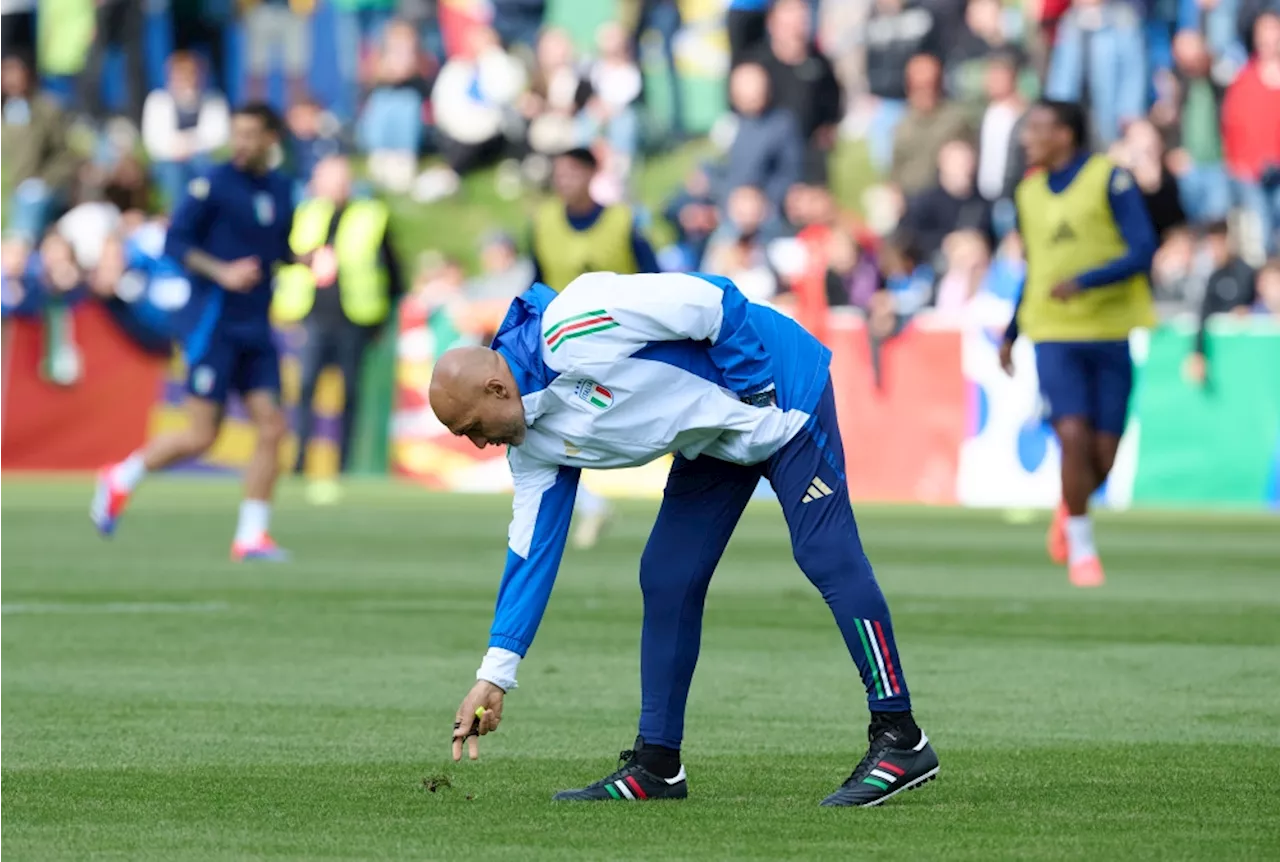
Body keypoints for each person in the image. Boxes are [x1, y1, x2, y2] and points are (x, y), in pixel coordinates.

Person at [431, 272, 938, 806]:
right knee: (667, 575)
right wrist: (495, 675)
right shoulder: (531, 446)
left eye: (471, 428)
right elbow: (532, 552)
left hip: (784, 397)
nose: (478, 443)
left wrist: (755, 388)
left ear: (496, 388)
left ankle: (899, 735)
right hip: (716, 440)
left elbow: (713, 298)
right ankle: (657, 764)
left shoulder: (572, 324)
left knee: (824, 552)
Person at [91, 104, 299, 562]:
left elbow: (274, 245)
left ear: (270, 139)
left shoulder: (283, 189)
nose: (241, 143)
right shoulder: (212, 184)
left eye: (250, 134)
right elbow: (175, 241)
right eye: (236, 133)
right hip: (213, 324)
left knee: (273, 426)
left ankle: (251, 535)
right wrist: (221, 272)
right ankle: (120, 478)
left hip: (256, 326)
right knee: (203, 434)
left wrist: (301, 259)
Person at [999, 99, 1157, 588]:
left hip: (1109, 331)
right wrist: (1012, 331)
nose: (1028, 139)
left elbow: (1143, 248)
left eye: (1037, 130)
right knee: (1071, 435)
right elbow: (1036, 267)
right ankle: (1083, 552)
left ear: (1064, 135)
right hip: (1053, 333)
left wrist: (1087, 281)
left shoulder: (1111, 180)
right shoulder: (1027, 192)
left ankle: (1070, 506)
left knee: (1104, 456)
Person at [528, 146, 660, 549]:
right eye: (558, 172)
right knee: (543, 425)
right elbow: (534, 280)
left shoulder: (621, 221)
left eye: (572, 172)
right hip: (562, 345)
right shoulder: (543, 221)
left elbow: (654, 275)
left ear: (591, 174)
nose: (563, 180)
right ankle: (585, 504)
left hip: (621, 341)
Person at [273, 155, 405, 477]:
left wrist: (383, 318)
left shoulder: (372, 215)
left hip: (355, 318)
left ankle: (344, 465)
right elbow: (283, 257)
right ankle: (300, 462)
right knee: (305, 389)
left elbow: (392, 269)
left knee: (350, 394)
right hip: (311, 315)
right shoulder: (303, 213)